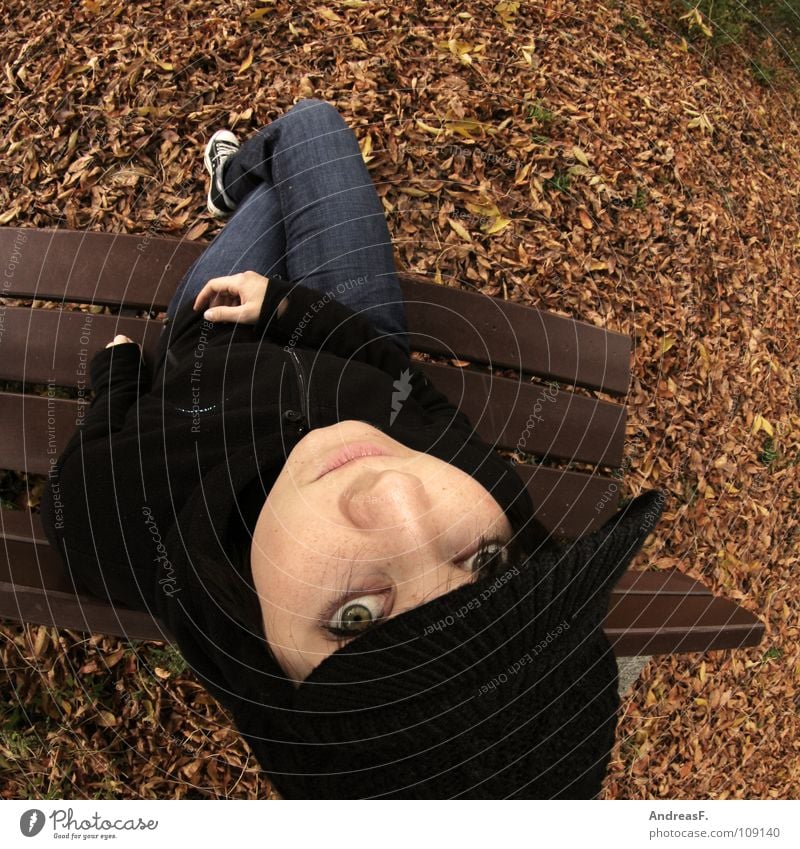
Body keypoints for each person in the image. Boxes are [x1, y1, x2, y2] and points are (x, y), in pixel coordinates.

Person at [40, 98, 665, 798]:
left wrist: (117, 378)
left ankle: (238, 184)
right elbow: (412, 393)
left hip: (213, 331)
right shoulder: (495, 511)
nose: (399, 491)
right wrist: (289, 307)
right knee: (311, 128)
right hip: (347, 335)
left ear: (269, 667)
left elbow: (69, 488)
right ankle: (239, 181)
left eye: (357, 619)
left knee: (284, 173)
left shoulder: (130, 515)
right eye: (487, 564)